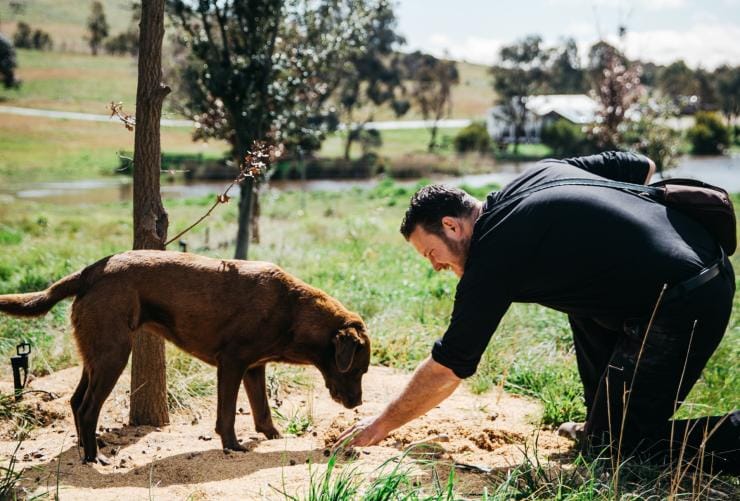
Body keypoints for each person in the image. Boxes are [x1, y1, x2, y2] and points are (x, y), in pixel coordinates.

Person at [334, 151, 739, 474]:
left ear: (452, 226)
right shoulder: (537, 174)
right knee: (578, 289)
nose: (436, 266)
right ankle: (602, 425)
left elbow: (450, 365)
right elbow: (640, 164)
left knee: (626, 455)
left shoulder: (493, 256)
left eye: (431, 254)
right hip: (697, 262)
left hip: (686, 300)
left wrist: (379, 426)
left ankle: (630, 435)